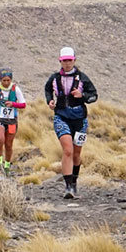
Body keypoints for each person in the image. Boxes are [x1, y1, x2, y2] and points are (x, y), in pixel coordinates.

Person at [45, 47, 98, 199]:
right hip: (61, 116)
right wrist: (49, 101)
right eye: (64, 61)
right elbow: (48, 90)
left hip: (80, 119)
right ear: (60, 61)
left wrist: (82, 96)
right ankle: (68, 187)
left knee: (76, 154)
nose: (67, 63)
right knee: (67, 150)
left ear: (74, 60)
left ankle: (74, 182)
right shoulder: (54, 78)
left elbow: (94, 95)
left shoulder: (82, 78)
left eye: (70, 60)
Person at [0, 68, 26, 175]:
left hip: (11, 120)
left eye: (8, 80)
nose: (6, 82)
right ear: (0, 79)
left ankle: (7, 165)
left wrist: (13, 104)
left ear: (11, 80)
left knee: (9, 145)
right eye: (3, 80)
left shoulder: (16, 89)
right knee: (0, 139)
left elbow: (23, 104)